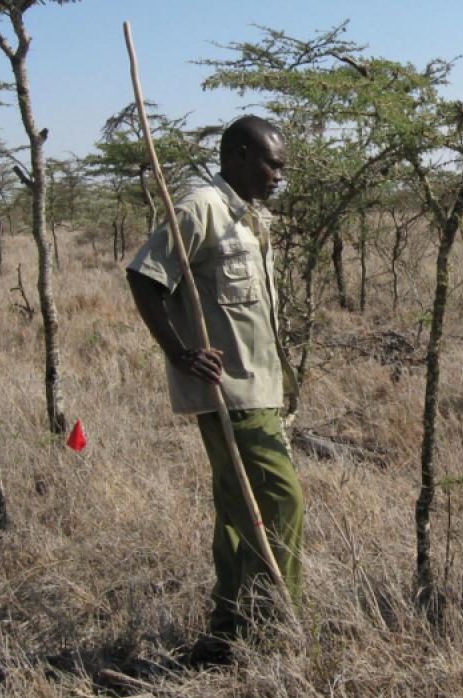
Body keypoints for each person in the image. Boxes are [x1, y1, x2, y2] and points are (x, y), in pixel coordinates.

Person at [126, 116, 302, 663]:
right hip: (231, 393)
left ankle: (227, 631)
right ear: (241, 155)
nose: (279, 176)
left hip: (260, 388)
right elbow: (144, 276)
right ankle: (283, 627)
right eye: (273, 164)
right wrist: (179, 352)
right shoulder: (201, 208)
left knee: (235, 510)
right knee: (280, 500)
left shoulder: (250, 219)